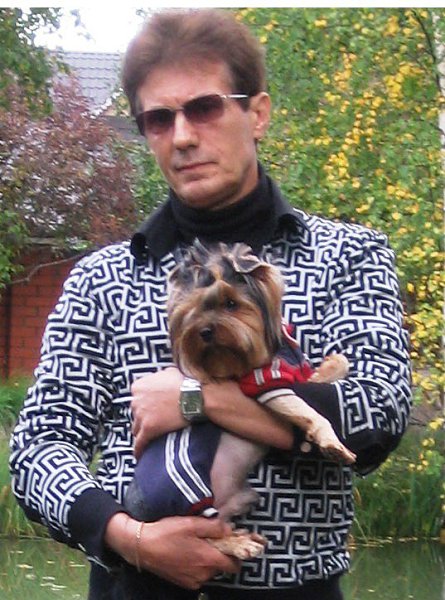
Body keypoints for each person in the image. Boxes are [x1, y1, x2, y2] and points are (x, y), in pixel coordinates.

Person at [10, 8, 412, 600]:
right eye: (158, 118)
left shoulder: (347, 256)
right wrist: (129, 538)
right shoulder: (100, 279)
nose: (182, 136)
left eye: (204, 107)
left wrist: (195, 399)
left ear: (258, 113)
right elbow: (38, 448)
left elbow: (377, 416)